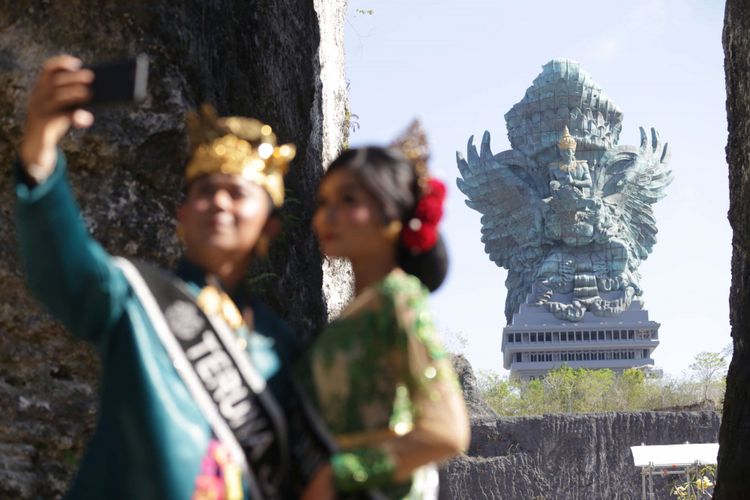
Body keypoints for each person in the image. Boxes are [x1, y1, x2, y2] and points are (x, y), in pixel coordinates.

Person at [14, 55, 311, 499]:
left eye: (237, 193)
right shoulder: (136, 298)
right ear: (181, 216)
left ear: (268, 227)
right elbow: (67, 269)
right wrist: (40, 148)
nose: (219, 204)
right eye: (205, 192)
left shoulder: (280, 348)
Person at [301, 123, 471, 499]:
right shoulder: (362, 308)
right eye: (324, 202)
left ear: (392, 214)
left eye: (348, 200)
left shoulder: (399, 299)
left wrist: (341, 473)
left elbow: (447, 432)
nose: (327, 216)